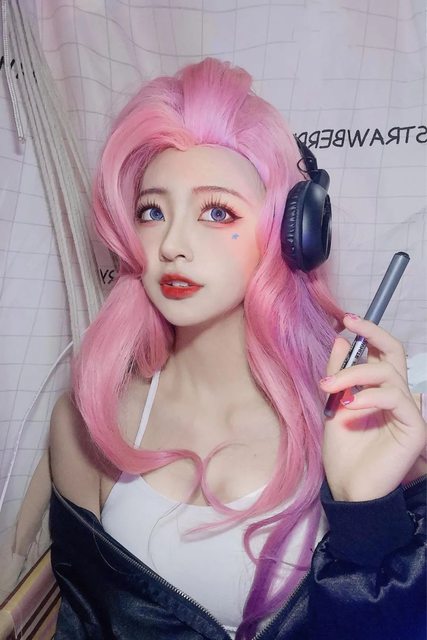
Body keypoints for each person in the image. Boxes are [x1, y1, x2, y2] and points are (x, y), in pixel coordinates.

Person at [49, 58, 426, 640]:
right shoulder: (90, 421)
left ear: (291, 233)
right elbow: (84, 622)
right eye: (153, 211)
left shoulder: (357, 420)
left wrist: (365, 513)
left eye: (217, 211)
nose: (172, 244)